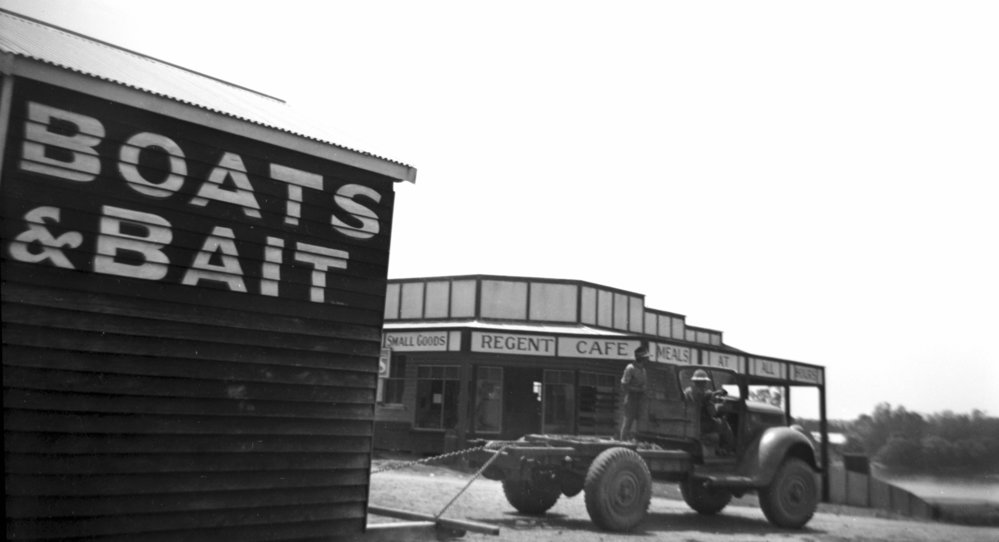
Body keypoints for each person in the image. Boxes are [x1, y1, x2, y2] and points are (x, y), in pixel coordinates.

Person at [683, 369, 735, 452]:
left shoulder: (687, 391)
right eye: (704, 382)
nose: (705, 384)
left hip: (689, 423)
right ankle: (727, 449)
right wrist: (717, 404)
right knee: (723, 423)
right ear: (703, 382)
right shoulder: (705, 394)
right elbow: (712, 413)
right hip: (702, 424)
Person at [619, 345, 651, 440]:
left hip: (641, 399)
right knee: (628, 421)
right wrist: (638, 389)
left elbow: (645, 385)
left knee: (640, 422)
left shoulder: (643, 370)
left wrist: (645, 390)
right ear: (641, 358)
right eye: (646, 357)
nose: (647, 359)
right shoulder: (630, 368)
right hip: (631, 398)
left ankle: (635, 441)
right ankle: (623, 441)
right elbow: (624, 386)